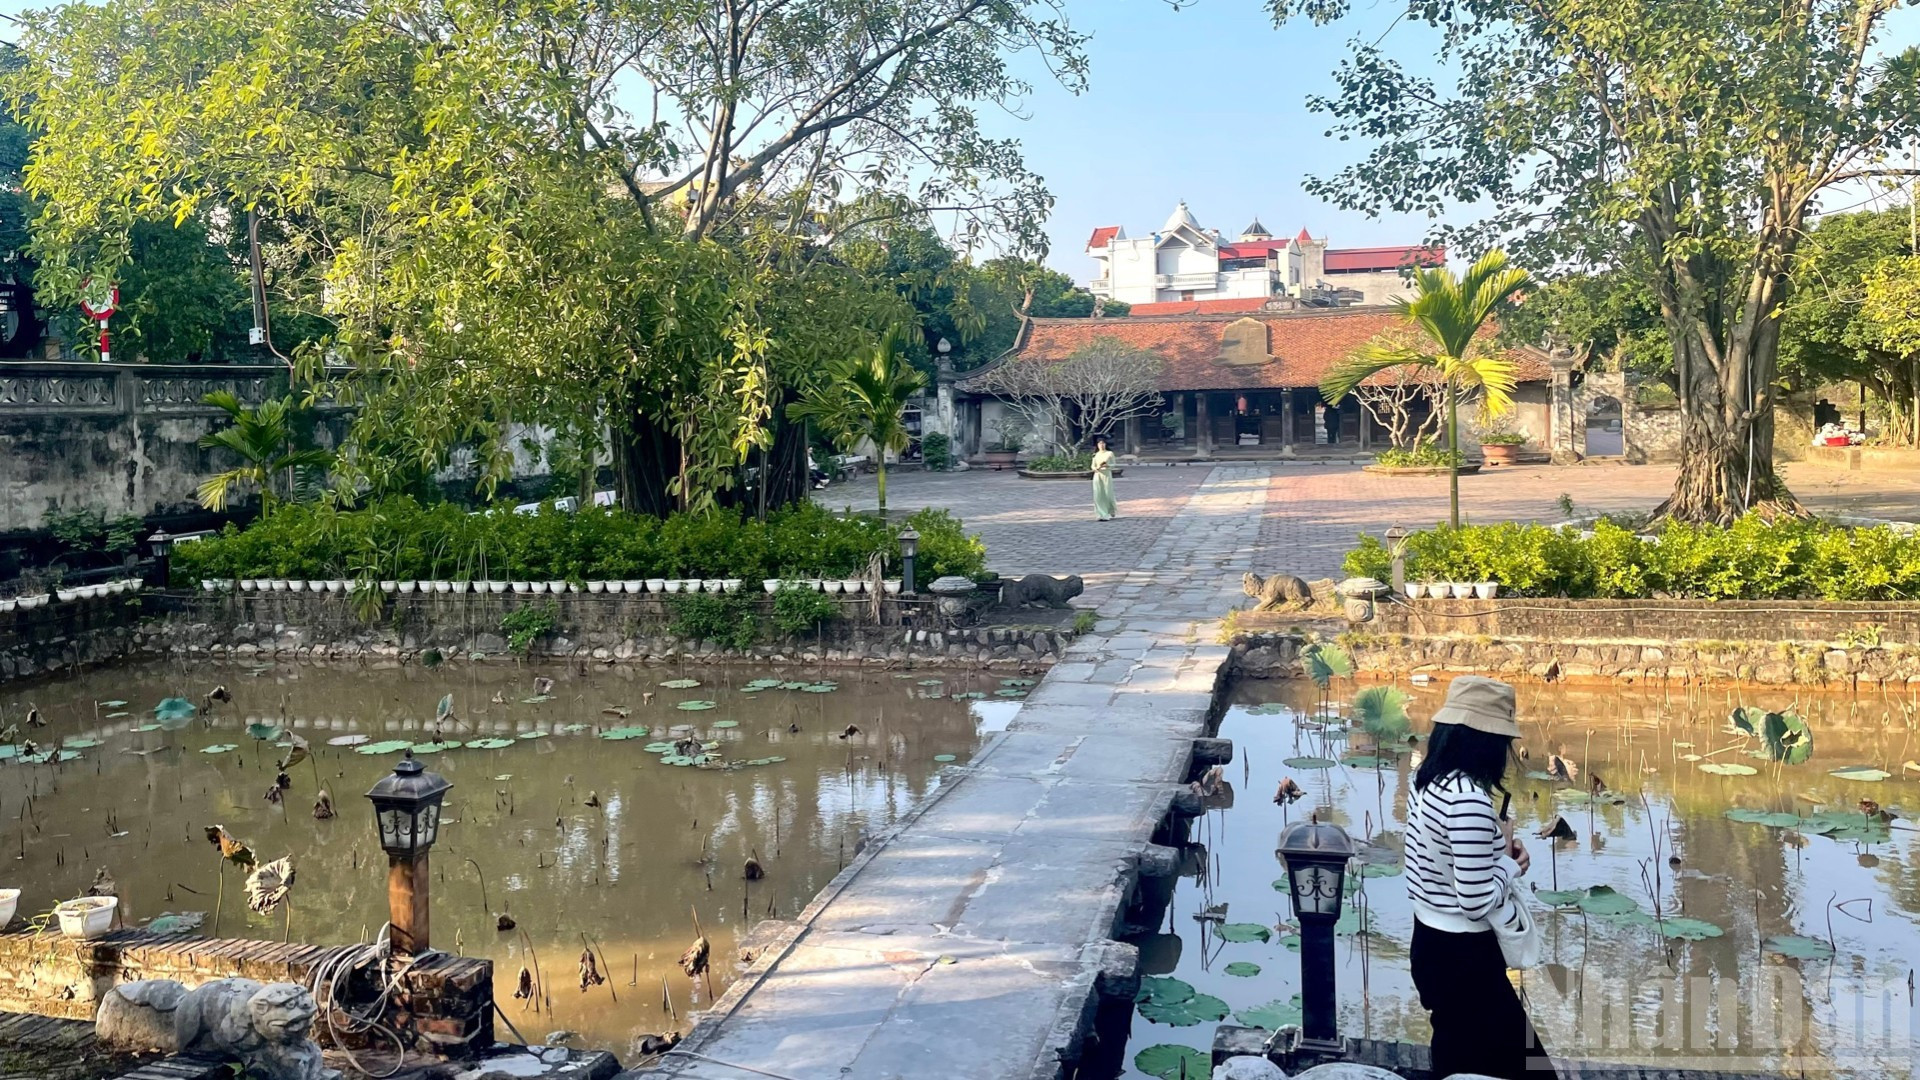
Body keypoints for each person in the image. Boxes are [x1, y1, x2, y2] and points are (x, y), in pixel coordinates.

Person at [1405, 676, 1550, 1078]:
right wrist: (1510, 865)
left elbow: (1440, 859)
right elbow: (1475, 903)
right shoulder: (1467, 797)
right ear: (1486, 740)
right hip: (1463, 957)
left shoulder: (1427, 779)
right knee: (1526, 1067)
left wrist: (1496, 851)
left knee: (1457, 1057)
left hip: (1429, 941)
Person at [1089, 437, 1117, 521]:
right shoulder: (1095, 454)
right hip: (1097, 476)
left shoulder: (1109, 453)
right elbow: (1092, 465)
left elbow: (1113, 464)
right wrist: (1095, 468)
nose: (1102, 445)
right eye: (1100, 443)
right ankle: (1101, 514)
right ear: (1097, 445)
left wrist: (1107, 466)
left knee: (1107, 493)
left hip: (1106, 475)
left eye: (1103, 443)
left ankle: (1111, 509)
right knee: (1098, 495)